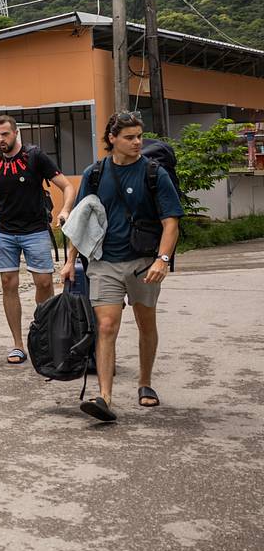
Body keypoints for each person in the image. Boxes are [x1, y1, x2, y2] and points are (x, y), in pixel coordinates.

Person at [63, 112, 182, 423]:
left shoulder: (155, 173)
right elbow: (81, 221)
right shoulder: (94, 173)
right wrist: (70, 261)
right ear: (112, 139)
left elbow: (171, 223)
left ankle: (145, 382)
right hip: (104, 263)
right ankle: (104, 397)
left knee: (146, 324)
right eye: (129, 137)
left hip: (144, 262)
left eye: (139, 136)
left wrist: (162, 260)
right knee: (106, 326)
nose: (137, 142)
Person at [0, 115, 76, 365]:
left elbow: (67, 186)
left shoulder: (35, 157)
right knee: (8, 283)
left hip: (36, 230)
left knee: (44, 283)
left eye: (5, 134)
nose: (0, 139)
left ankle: (44, 337)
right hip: (4, 232)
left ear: (16, 133)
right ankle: (18, 345)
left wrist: (65, 211)